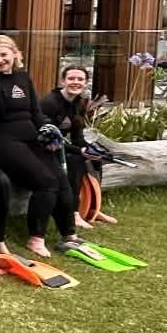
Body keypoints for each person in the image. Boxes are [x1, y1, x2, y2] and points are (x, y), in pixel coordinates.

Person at [0, 34, 77, 259]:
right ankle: (36, 238)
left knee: (61, 177)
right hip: (3, 141)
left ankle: (68, 233)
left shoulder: (23, 78)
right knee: (46, 181)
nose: (0, 60)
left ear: (15, 54)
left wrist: (49, 129)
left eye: (4, 54)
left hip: (30, 138)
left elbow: (35, 111)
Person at [42, 63, 114, 227]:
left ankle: (93, 208)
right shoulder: (50, 103)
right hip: (43, 147)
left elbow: (78, 136)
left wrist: (92, 149)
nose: (76, 82)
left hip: (60, 146)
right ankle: (74, 212)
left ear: (86, 82)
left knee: (97, 156)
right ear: (62, 81)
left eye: (80, 79)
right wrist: (80, 150)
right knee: (76, 160)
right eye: (71, 78)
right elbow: (50, 139)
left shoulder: (80, 103)